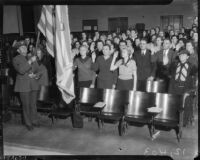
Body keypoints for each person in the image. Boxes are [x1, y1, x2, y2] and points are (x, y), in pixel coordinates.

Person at [12, 44, 40, 131]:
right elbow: (21, 70)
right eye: (22, 47)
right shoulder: (16, 59)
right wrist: (30, 61)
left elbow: (39, 70)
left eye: (25, 46)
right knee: (26, 105)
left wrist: (36, 75)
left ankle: (34, 121)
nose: (24, 48)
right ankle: (28, 123)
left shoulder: (31, 56)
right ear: (18, 50)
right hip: (24, 86)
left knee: (33, 105)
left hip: (33, 85)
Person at [168, 50, 197, 126]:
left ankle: (183, 122)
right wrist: (170, 90)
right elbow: (172, 78)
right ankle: (175, 121)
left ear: (187, 57)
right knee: (174, 105)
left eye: (184, 55)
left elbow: (193, 80)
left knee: (185, 105)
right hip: (175, 88)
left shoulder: (192, 66)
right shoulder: (174, 65)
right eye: (180, 55)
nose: (181, 57)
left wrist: (189, 91)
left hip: (185, 88)